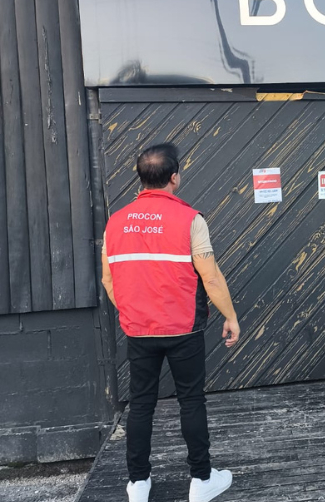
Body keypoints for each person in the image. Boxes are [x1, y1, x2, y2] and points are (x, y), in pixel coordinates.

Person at [101, 143, 240, 502]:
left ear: (140, 178)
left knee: (140, 404)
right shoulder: (191, 220)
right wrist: (230, 316)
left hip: (139, 329)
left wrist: (132, 311)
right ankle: (201, 480)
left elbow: (108, 279)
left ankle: (138, 484)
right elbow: (210, 277)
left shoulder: (115, 223)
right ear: (174, 177)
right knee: (191, 400)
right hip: (184, 329)